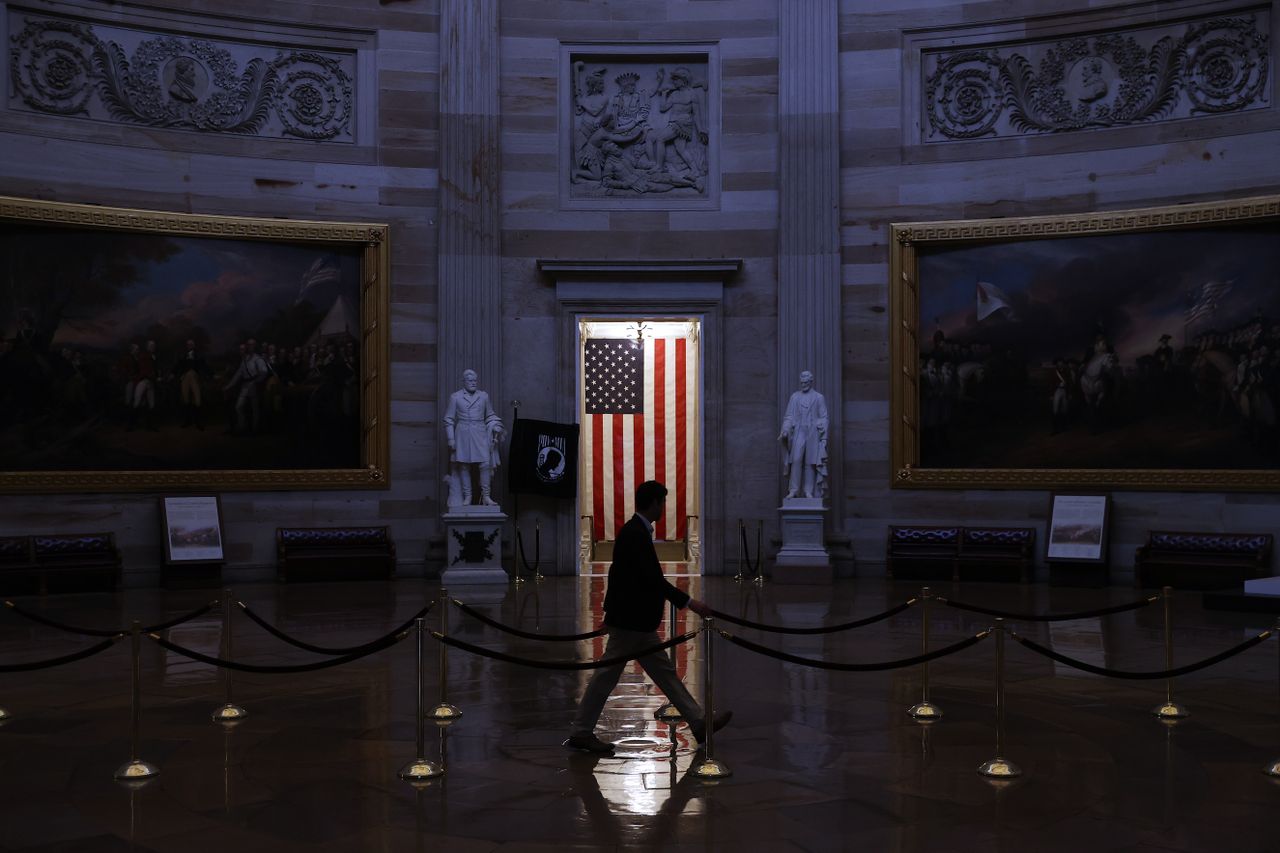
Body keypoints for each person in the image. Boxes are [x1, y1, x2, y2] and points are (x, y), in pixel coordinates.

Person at [566, 480, 732, 755]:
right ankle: (581, 731)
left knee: (664, 674)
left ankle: (698, 722)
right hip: (632, 622)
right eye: (662, 502)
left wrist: (609, 614)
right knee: (606, 676)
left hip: (636, 621)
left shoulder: (634, 531)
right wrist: (691, 603)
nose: (664, 508)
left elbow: (619, 576)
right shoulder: (634, 533)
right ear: (654, 503)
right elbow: (649, 580)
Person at [442, 368, 503, 506]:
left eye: (475, 380)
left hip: (480, 432)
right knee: (464, 466)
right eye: (470, 380)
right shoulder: (455, 397)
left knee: (485, 464)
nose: (473, 383)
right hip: (462, 433)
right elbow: (448, 419)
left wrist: (495, 425)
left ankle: (486, 496)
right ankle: (467, 496)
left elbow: (490, 414)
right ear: (464, 382)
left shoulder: (483, 396)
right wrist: (451, 438)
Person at [778, 370, 829, 499]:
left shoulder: (818, 397)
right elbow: (789, 416)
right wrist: (785, 430)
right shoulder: (795, 397)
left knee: (810, 462)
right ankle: (794, 490)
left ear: (811, 382)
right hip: (799, 431)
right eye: (802, 382)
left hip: (812, 432)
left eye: (806, 382)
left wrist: (822, 430)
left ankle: (808, 491)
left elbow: (824, 417)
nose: (803, 384)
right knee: (795, 460)